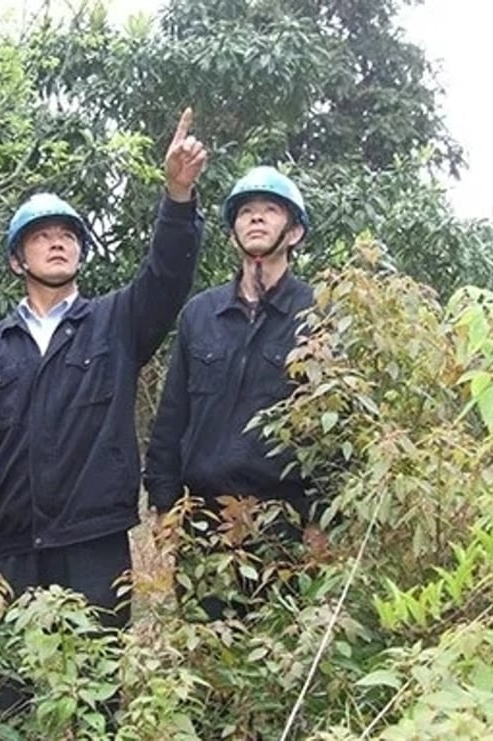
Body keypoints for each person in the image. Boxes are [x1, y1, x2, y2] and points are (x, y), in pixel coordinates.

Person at [0, 108, 206, 730]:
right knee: (10, 699)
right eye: (42, 235)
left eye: (68, 235)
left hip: (93, 544)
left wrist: (178, 196)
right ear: (15, 259)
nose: (58, 242)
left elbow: (168, 276)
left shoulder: (117, 324)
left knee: (97, 698)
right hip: (8, 549)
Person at [143, 166, 316, 619]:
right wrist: (164, 505)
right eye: (245, 212)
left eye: (270, 210)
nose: (256, 219)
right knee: (206, 665)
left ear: (294, 231)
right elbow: (172, 416)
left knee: (278, 664)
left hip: (285, 527)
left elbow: (336, 430)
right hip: (203, 523)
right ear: (232, 231)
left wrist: (323, 520)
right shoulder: (200, 314)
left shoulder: (319, 315)